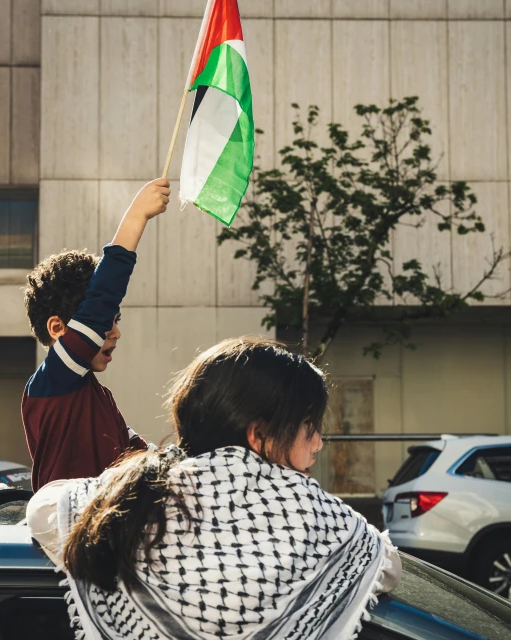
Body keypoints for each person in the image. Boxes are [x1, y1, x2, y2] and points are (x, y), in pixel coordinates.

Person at [27, 337, 402, 640]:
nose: (318, 444)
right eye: (309, 427)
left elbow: (45, 509)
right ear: (260, 436)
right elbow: (385, 566)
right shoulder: (308, 515)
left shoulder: (143, 497)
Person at [22, 178, 170, 491]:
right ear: (58, 329)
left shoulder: (102, 399)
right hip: (66, 537)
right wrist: (137, 216)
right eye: (105, 322)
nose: (115, 332)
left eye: (116, 320)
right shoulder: (54, 383)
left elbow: (144, 459)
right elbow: (103, 295)